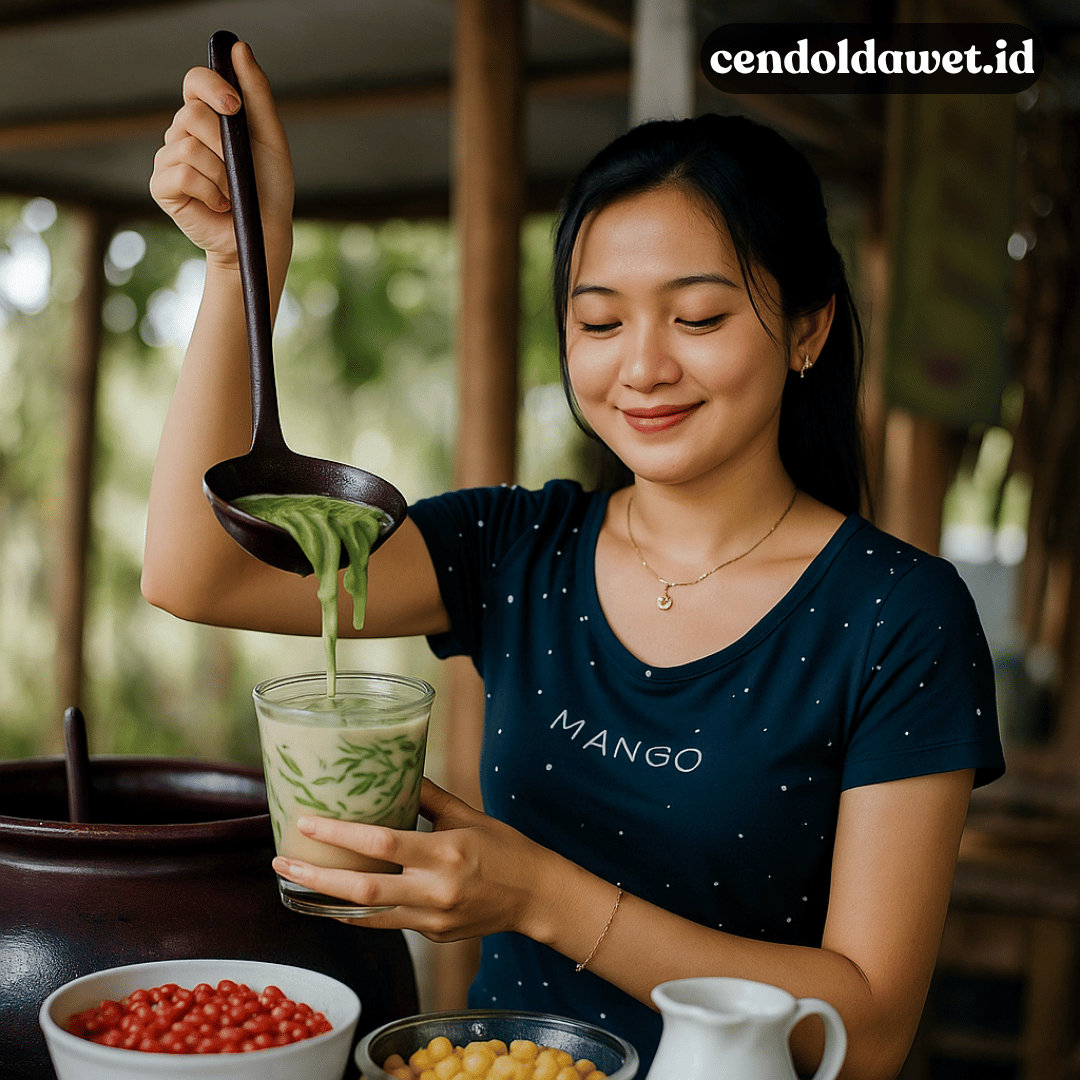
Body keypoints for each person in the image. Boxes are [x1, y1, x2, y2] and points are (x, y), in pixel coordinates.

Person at [144, 39, 1005, 1080]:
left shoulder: (898, 617)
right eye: (599, 322)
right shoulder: (517, 550)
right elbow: (200, 572)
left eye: (698, 316)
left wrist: (536, 895)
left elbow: (864, 1033)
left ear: (807, 328)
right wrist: (246, 262)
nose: (642, 365)